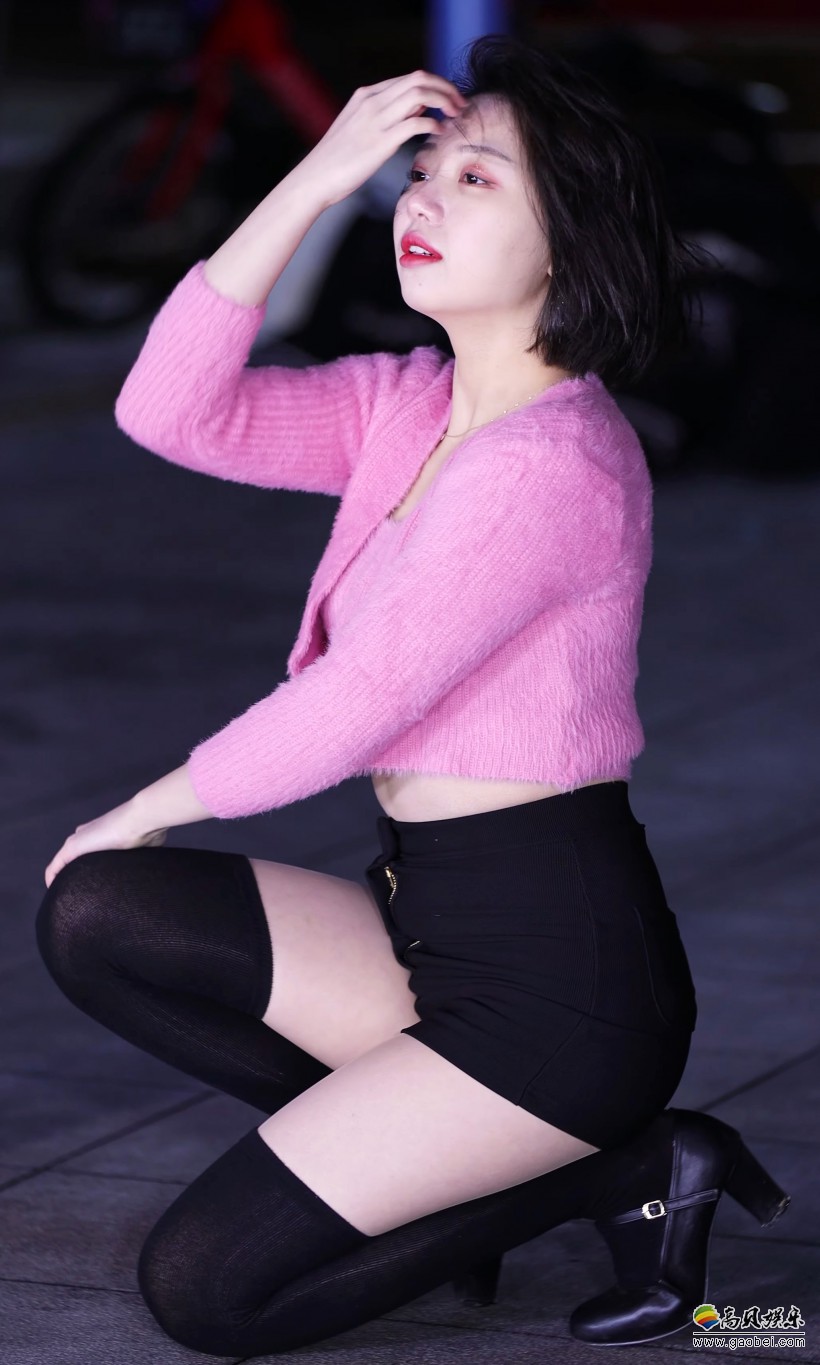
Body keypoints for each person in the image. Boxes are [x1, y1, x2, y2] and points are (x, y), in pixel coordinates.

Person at [35, 35, 789, 1357]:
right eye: (421, 172)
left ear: (569, 242)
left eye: (476, 177)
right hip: (424, 934)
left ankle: (631, 1173)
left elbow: (363, 696)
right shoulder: (408, 405)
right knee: (96, 913)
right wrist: (317, 180)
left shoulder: (557, 462)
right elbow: (169, 412)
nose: (424, 199)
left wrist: (143, 806)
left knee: (204, 1292)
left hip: (557, 998)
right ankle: (445, 1188)